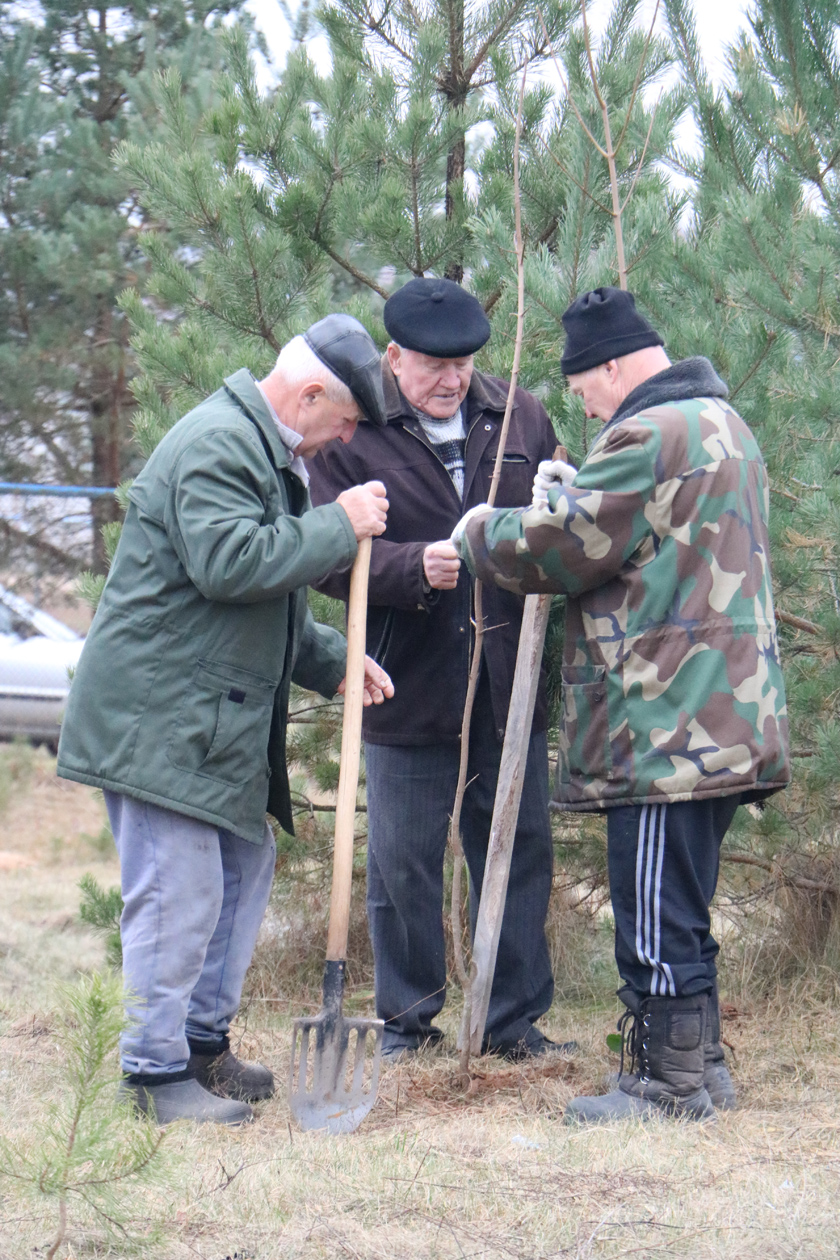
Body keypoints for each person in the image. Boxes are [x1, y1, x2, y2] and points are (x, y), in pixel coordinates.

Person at [453, 286, 790, 1121]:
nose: (587, 408)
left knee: (652, 912)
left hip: (665, 724)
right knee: (684, 904)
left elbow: (561, 550)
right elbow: (660, 540)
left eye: (584, 389)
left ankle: (665, 1086)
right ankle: (702, 1069)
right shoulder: (722, 424)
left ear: (610, 367)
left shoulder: (648, 433)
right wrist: (583, 489)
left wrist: (479, 531)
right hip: (728, 713)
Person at [57, 315, 395, 1126]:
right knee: (178, 893)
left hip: (208, 719)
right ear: (309, 396)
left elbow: (260, 602)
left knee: (242, 872)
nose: (345, 439)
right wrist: (338, 524)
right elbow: (229, 563)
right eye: (346, 420)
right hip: (159, 721)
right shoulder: (218, 443)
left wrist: (332, 659)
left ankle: (200, 1046)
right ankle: (151, 1072)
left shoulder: (262, 452)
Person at [309, 277, 575, 1061]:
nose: (452, 381)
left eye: (462, 365)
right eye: (433, 366)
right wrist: (408, 569)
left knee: (518, 851)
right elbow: (321, 552)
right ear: (394, 358)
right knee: (403, 866)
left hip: (506, 685)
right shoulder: (355, 431)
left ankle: (511, 1022)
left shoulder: (519, 415)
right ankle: (407, 1024)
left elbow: (560, 520)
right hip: (406, 683)